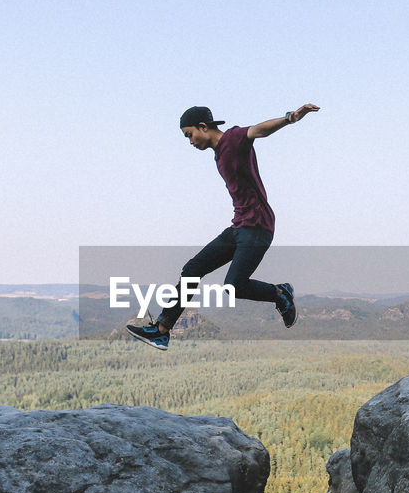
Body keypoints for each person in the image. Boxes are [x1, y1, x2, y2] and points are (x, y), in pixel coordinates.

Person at [125, 103, 320, 350]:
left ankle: (280, 294)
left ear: (203, 126)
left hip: (258, 226)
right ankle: (162, 330)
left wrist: (290, 118)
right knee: (192, 270)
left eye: (190, 135)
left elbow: (259, 130)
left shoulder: (234, 139)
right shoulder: (218, 153)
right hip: (239, 226)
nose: (190, 142)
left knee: (233, 285)